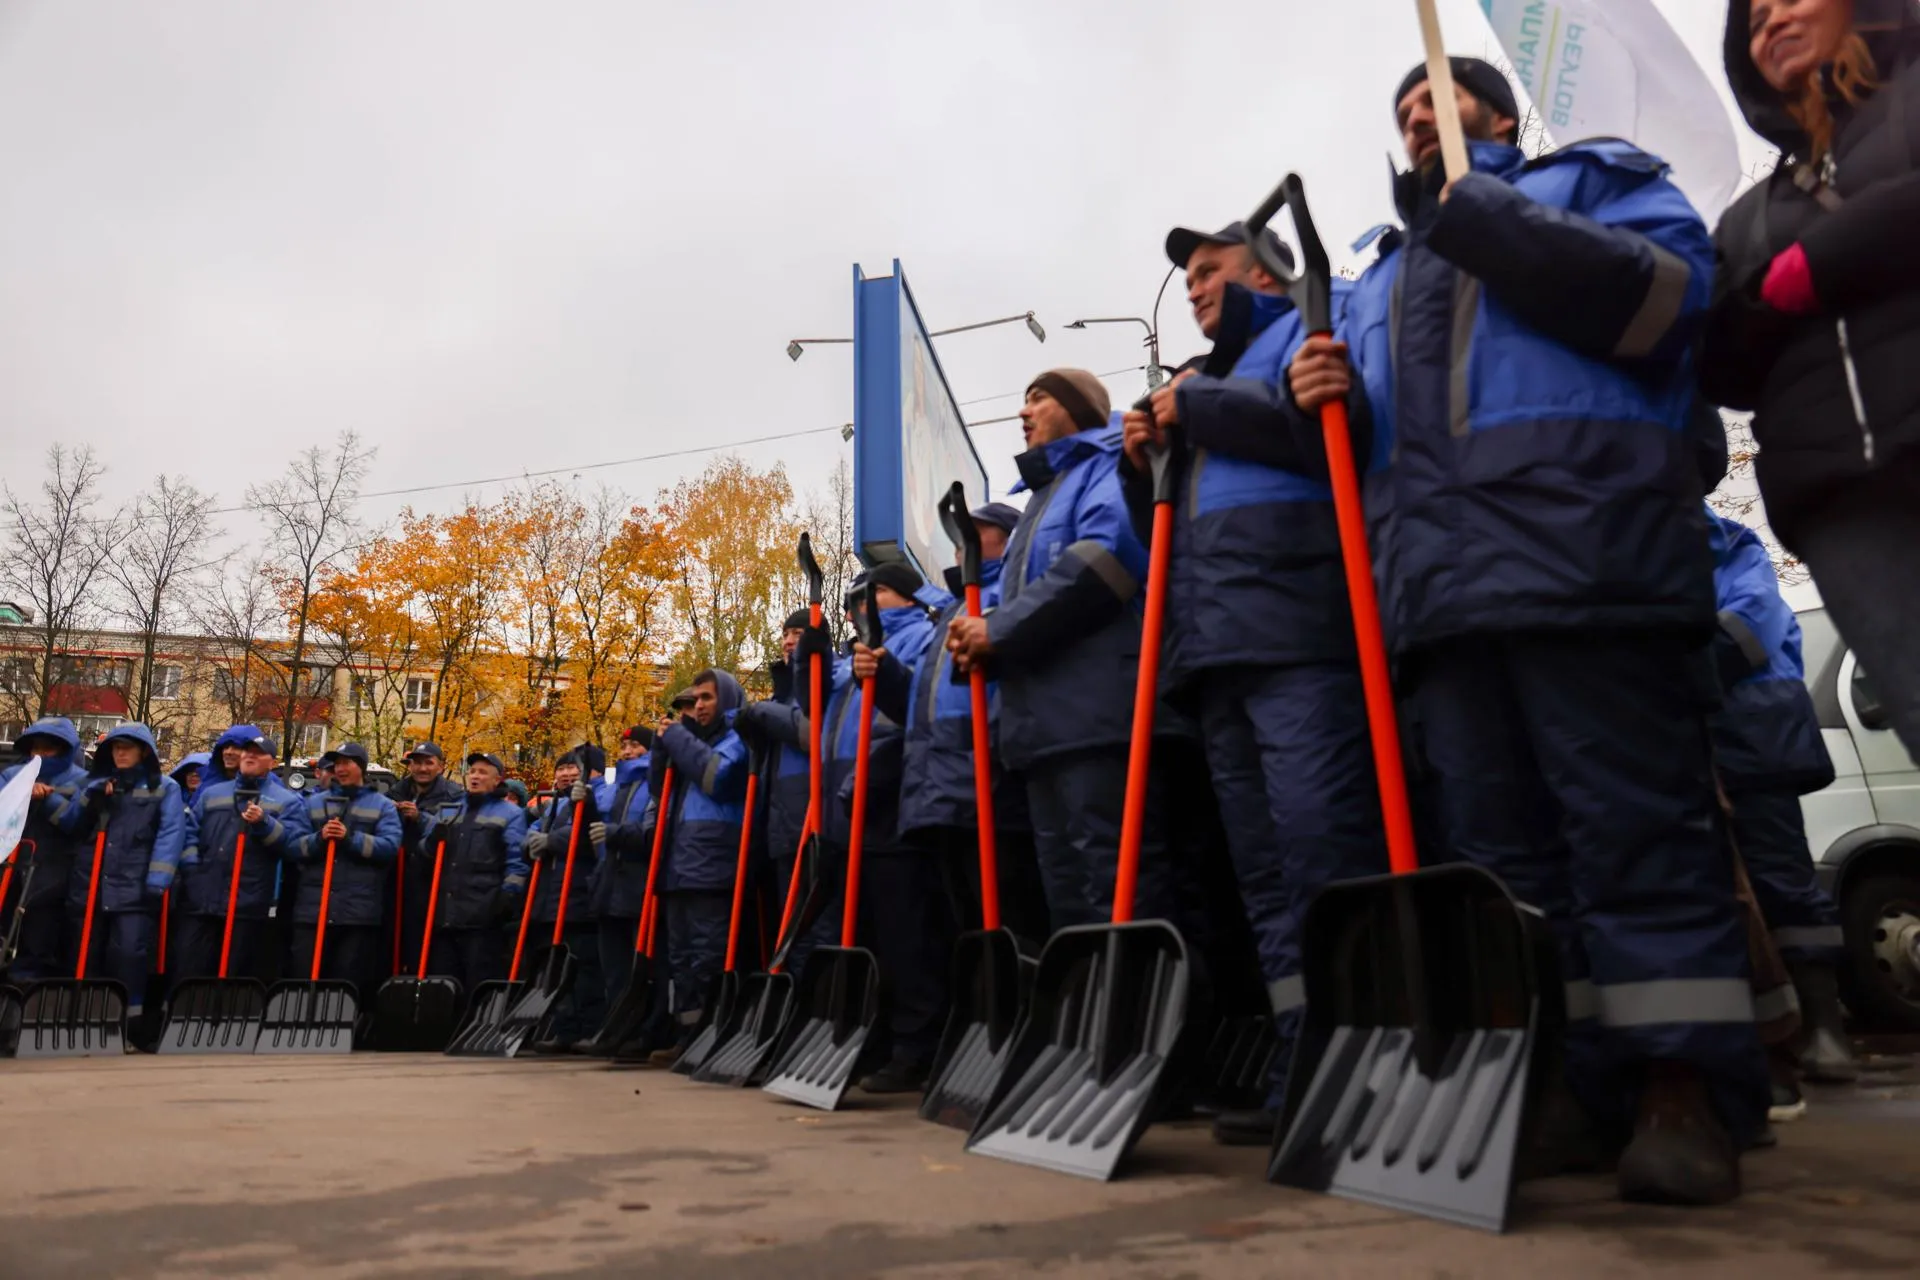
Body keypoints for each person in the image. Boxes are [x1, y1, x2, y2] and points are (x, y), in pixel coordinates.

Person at [1286, 56, 1766, 1204]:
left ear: (1497, 118)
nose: (1414, 122)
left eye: (1436, 104)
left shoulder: (1592, 182)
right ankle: (1572, 1083)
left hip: (1589, 568)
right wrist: (1320, 402)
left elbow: (1665, 300)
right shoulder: (1381, 280)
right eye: (1400, 112)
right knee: (1507, 872)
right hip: (1443, 603)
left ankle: (1683, 1086)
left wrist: (1485, 218)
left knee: (1633, 831)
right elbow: (1367, 461)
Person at [1119, 216, 1384, 1147]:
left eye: (1207, 271)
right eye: (1186, 275)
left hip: (1301, 637)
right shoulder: (1206, 382)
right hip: (1217, 655)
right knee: (1265, 877)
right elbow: (1164, 535)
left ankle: (1363, 1056)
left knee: (1324, 849)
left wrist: (1199, 414)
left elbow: (1341, 448)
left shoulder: (1308, 334)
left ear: (1263, 275)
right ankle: (1301, 1050)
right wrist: (1139, 461)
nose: (1193, 287)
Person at [1702, 0, 1920, 760]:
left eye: (1790, 0)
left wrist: (1812, 271)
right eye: (1754, 20)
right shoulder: (1747, 219)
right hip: (1846, 511)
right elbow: (1720, 359)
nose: (1771, 23)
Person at [946, 369, 1180, 933]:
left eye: (1039, 398)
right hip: (1042, 732)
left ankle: (1153, 1015)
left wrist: (996, 632)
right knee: (1069, 905)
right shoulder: (1040, 501)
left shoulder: (1105, 467)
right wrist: (979, 640)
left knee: (1120, 891)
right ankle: (1092, 1012)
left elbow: (1105, 564)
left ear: (1079, 408)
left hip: (1100, 722)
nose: (1023, 413)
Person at [1706, 509, 1858, 1096]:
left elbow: (1750, 628)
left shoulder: (1728, 543)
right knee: (1714, 885)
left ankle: (1824, 1024)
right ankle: (1767, 1040)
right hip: (1708, 724)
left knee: (1779, 875)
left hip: (1751, 727)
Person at [878, 503, 1048, 952]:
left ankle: (1021, 1009)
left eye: (974, 531)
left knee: (1013, 920)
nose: (960, 543)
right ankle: (983, 1009)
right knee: (965, 926)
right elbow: (923, 704)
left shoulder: (1013, 597)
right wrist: (886, 678)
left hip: (991, 789)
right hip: (940, 793)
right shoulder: (950, 615)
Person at [829, 564, 946, 1092]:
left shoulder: (922, 638)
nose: (863, 601)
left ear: (909, 595)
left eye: (876, 589)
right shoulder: (854, 656)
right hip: (857, 809)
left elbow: (914, 716)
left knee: (908, 932)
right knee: (871, 933)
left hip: (897, 797)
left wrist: (872, 776)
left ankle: (916, 1045)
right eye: (859, 592)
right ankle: (874, 1042)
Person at [643, 671, 750, 1066]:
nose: (699, 705)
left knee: (708, 958)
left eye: (707, 697)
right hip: (679, 867)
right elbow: (660, 789)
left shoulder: (738, 739)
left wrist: (677, 738)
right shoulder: (693, 744)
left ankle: (714, 1035)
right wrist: (662, 747)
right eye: (695, 699)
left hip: (713, 866)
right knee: (682, 961)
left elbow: (716, 777)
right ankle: (687, 1036)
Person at [67, 723, 185, 1029]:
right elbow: (71, 825)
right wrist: (90, 798)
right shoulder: (94, 782)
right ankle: (85, 1018)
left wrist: (158, 880)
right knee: (86, 951)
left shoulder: (165, 787)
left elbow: (170, 833)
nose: (120, 752)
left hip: (135, 885)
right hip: (91, 883)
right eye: (115, 747)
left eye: (127, 747)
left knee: (130, 953)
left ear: (144, 751)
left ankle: (129, 1022)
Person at [176, 733, 310, 981]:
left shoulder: (286, 802)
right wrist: (194, 871)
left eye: (258, 753)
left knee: (236, 975)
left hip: (247, 904)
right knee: (191, 969)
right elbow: (190, 834)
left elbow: (295, 847)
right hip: (204, 900)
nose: (250, 756)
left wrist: (265, 824)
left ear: (272, 762)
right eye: (247, 751)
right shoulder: (212, 794)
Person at [288, 743, 401, 1005]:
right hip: (314, 909)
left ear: (360, 767)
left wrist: (351, 838)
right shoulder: (313, 804)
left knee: (347, 981)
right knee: (304, 975)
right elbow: (293, 845)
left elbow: (390, 847)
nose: (340, 769)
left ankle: (342, 1028)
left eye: (347, 763)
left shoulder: (382, 806)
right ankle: (303, 1025)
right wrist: (319, 838)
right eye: (336, 764)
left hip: (357, 912)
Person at [417, 752, 528, 994]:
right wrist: (432, 840)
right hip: (445, 914)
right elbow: (424, 851)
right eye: (472, 771)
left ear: (497, 780)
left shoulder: (510, 814)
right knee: (442, 986)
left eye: (482, 773)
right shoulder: (450, 810)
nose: (475, 777)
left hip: (483, 916)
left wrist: (508, 896)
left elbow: (517, 860)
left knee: (478, 985)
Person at [524, 750, 605, 1052]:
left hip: (580, 896)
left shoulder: (598, 799)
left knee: (584, 969)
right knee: (558, 970)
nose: (567, 774)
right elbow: (535, 831)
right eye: (562, 768)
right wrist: (531, 841)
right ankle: (564, 1028)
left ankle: (589, 1027)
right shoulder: (554, 805)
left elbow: (584, 833)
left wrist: (552, 841)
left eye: (574, 768)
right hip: (551, 898)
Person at [0, 718, 91, 981]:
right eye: (34, 748)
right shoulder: (10, 775)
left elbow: (77, 823)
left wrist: (48, 799)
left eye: (47, 749)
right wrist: (24, 792)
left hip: (55, 870)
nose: (39, 755)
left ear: (65, 750)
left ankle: (25, 994)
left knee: (39, 935)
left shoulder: (82, 781)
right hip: (10, 867)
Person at [591, 726, 656, 1019]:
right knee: (612, 964)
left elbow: (651, 833)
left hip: (639, 882)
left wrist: (616, 833)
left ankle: (639, 1025)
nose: (628, 751)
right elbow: (595, 825)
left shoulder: (654, 781)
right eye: (624, 746)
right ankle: (615, 1023)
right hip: (609, 883)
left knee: (639, 962)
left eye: (635, 745)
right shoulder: (616, 785)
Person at [390, 742, 464, 978]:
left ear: (440, 767)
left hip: (433, 880)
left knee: (427, 943)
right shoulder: (396, 791)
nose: (422, 768)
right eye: (417, 762)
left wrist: (419, 817)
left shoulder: (453, 796)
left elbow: (450, 834)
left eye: (428, 762)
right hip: (398, 878)